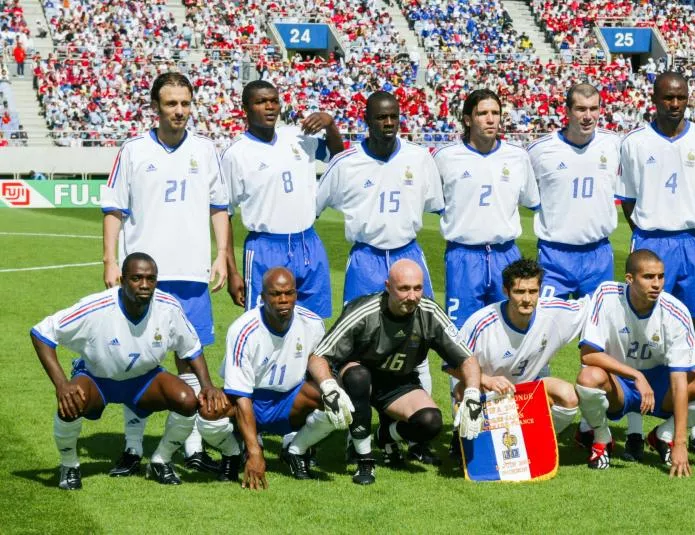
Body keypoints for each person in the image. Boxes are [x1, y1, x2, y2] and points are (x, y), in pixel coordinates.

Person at [100, 72, 230, 477]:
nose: (179, 111)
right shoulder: (133, 150)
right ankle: (132, 446)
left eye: (185, 103)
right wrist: (109, 261)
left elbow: (219, 206)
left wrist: (222, 255)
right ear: (155, 107)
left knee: (190, 359)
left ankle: (191, 447)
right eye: (171, 103)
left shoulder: (205, 150)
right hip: (143, 277)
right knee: (136, 359)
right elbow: (113, 208)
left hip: (191, 273)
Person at [316, 91, 444, 464]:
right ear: (366, 121)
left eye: (393, 116)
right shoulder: (346, 163)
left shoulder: (419, 158)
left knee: (419, 346)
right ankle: (355, 436)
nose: (388, 123)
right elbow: (313, 206)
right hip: (366, 259)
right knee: (356, 350)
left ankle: (411, 437)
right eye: (380, 117)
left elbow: (435, 205)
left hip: (408, 254)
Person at [30, 253, 228, 490]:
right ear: (122, 280)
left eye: (150, 279)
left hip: (144, 381)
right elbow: (42, 332)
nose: (144, 285)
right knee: (70, 402)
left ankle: (161, 459)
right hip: (98, 380)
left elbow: (192, 348)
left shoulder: (168, 306)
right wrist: (62, 384)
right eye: (136, 278)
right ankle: (69, 465)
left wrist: (207, 386)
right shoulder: (96, 307)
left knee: (187, 400)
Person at [617, 71, 695, 460]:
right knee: (638, 331)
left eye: (681, 97)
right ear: (655, 99)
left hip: (693, 244)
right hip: (651, 240)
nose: (675, 104)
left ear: (688, 98)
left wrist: (689, 228)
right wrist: (651, 233)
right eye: (668, 97)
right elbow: (627, 201)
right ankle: (634, 431)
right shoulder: (634, 143)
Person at [306, 259, 485, 485]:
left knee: (430, 422)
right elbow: (318, 356)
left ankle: (384, 435)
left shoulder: (429, 312)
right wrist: (329, 387)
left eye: (417, 288)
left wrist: (472, 394)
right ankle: (364, 459)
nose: (412, 296)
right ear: (388, 287)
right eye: (404, 288)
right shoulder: (364, 311)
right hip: (355, 378)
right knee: (359, 377)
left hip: (397, 381)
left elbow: (466, 358)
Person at [526, 83, 629, 457]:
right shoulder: (539, 151)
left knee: (599, 342)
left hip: (598, 256)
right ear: (567, 111)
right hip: (554, 257)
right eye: (581, 109)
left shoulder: (613, 146)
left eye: (594, 108)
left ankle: (591, 426)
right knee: (539, 337)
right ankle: (536, 417)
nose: (588, 116)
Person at [575, 250, 695, 476]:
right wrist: (636, 376)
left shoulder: (676, 312)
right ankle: (602, 439)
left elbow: (679, 381)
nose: (657, 284)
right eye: (648, 277)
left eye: (660, 276)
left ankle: (663, 435)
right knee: (587, 378)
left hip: (661, 385)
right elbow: (588, 355)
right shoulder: (606, 295)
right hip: (619, 384)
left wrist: (679, 441)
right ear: (629, 279)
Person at [197, 267, 336, 488]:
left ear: (296, 294)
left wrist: (330, 387)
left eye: (289, 293)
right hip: (251, 400)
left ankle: (296, 450)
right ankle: (233, 453)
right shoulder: (242, 329)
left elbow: (317, 363)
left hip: (289, 400)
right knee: (208, 411)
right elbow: (241, 396)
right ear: (262, 297)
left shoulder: (313, 323)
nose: (283, 300)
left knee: (334, 401)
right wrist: (255, 453)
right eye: (275, 294)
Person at [222, 80, 343, 317]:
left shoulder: (298, 136)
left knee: (314, 323)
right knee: (264, 324)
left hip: (308, 242)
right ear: (245, 108)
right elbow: (223, 213)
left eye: (274, 101)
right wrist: (233, 272)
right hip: (265, 247)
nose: (269, 107)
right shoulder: (236, 154)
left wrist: (330, 124)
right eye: (261, 102)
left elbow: (337, 157)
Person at [433, 89, 540, 330]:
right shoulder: (445, 157)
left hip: (506, 254)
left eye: (495, 112)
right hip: (463, 256)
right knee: (461, 332)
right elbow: (434, 202)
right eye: (482, 113)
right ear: (468, 119)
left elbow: (530, 200)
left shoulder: (518, 157)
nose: (490, 119)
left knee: (513, 328)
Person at [452, 258, 587, 445]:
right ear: (506, 291)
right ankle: (464, 439)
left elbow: (592, 306)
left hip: (525, 392)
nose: (527, 299)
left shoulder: (554, 312)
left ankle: (536, 443)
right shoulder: (481, 323)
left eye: (533, 291)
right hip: (490, 393)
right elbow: (451, 364)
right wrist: (487, 380)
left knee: (568, 395)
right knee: (463, 390)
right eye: (519, 291)